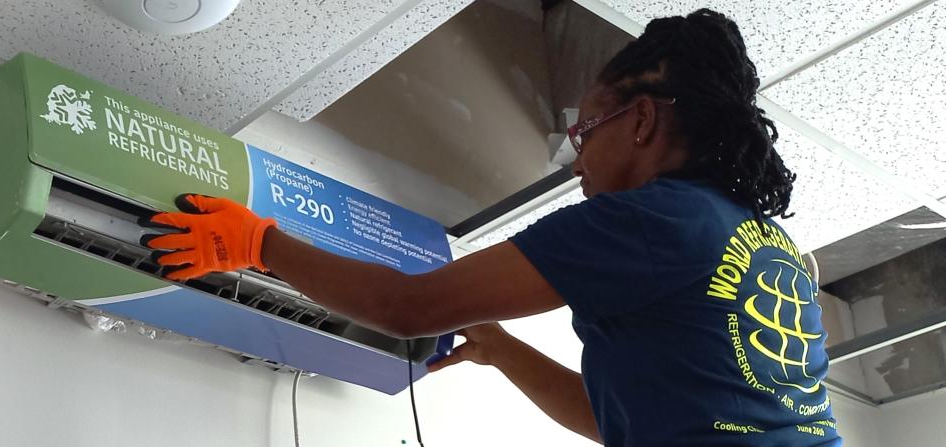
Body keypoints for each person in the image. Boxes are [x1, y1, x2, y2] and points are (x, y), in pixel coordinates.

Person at [138, 9, 842, 447]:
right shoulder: (767, 245)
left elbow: (405, 307)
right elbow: (615, 424)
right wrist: (501, 349)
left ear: (643, 120)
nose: (577, 165)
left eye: (585, 132)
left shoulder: (656, 220)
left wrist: (256, 241)